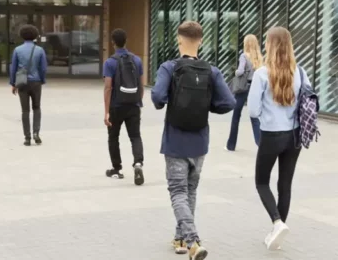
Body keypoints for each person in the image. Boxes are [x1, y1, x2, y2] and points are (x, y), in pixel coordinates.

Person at [151, 21, 236, 259]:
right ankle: (180, 240)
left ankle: (192, 241)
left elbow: (157, 97)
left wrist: (168, 101)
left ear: (179, 39)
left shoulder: (169, 67)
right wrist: (207, 106)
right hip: (199, 142)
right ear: (201, 41)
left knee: (178, 191)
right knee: (190, 191)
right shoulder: (212, 71)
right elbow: (229, 102)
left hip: (175, 140)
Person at [246, 27, 310, 250]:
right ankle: (278, 233)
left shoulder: (262, 74)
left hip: (271, 134)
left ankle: (277, 222)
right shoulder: (300, 72)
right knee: (285, 184)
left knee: (261, 181)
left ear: (269, 46)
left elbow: (253, 110)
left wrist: (268, 114)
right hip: (295, 135)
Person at [103, 28, 145, 185]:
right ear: (126, 41)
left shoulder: (110, 62)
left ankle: (117, 169)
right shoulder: (137, 60)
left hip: (116, 106)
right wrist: (137, 102)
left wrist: (106, 112)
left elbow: (108, 87)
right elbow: (141, 85)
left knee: (113, 137)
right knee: (135, 136)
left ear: (113, 42)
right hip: (133, 105)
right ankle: (138, 163)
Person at [9, 24, 47, 146]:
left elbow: (13, 68)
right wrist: (42, 80)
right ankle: (36, 132)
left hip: (22, 83)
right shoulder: (40, 50)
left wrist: (13, 83)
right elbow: (43, 68)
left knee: (25, 110)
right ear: (35, 35)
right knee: (37, 108)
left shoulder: (17, 50)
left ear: (22, 35)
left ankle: (27, 137)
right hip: (36, 82)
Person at [226, 34, 263, 151]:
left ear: (246, 43)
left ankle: (231, 145)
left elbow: (240, 71)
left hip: (243, 88)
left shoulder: (243, 56)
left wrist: (236, 71)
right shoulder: (259, 57)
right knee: (254, 116)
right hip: (255, 87)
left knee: (236, 115)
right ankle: (261, 144)